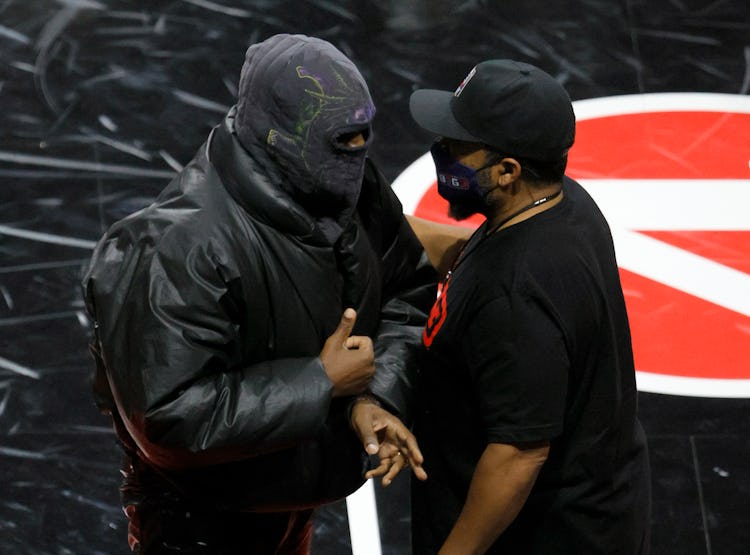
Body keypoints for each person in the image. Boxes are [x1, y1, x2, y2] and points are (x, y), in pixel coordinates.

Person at [81, 33, 435, 554]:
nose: (358, 152)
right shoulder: (177, 248)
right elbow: (166, 416)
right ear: (278, 133)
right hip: (200, 522)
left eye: (363, 134)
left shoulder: (345, 183)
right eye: (342, 140)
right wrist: (320, 382)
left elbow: (409, 289)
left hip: (294, 489)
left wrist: (371, 395)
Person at [407, 59, 652, 554]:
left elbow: (517, 456)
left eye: (457, 146)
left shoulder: (515, 300)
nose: (442, 153)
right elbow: (470, 254)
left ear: (507, 170)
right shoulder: (563, 206)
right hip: (598, 501)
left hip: (541, 535)